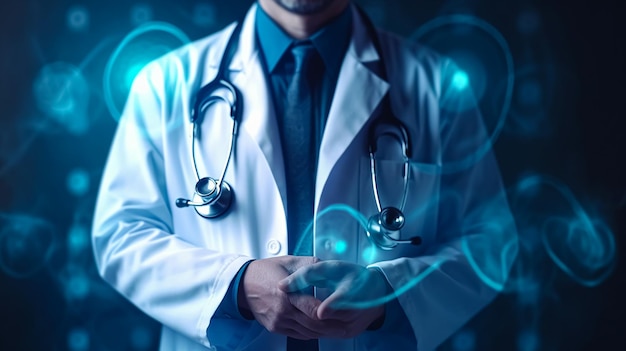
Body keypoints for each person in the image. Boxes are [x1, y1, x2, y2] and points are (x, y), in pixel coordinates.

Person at [92, 0, 518, 350]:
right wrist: (235, 286)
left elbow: (489, 240)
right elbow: (121, 234)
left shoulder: (437, 85)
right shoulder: (165, 84)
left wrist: (389, 293)